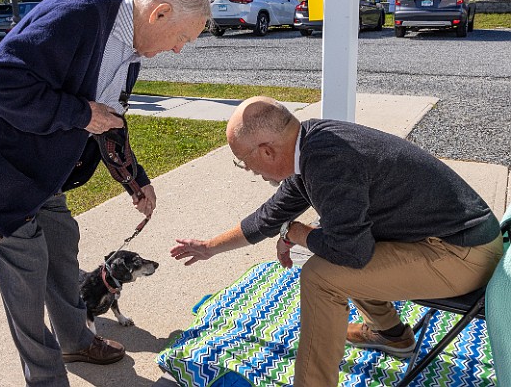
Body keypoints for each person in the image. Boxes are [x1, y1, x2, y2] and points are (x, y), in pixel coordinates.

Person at [0, 0, 210, 387]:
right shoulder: (78, 15)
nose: (179, 49)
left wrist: (133, 178)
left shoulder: (130, 50)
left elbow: (108, 118)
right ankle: (46, 378)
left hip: (36, 167)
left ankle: (76, 341)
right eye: (184, 38)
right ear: (160, 12)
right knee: (25, 275)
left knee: (62, 244)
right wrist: (80, 113)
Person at [171, 97, 503, 386]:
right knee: (339, 245)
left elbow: (350, 253)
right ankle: (393, 337)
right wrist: (209, 247)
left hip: (462, 255)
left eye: (243, 160)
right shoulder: (310, 145)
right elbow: (269, 217)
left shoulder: (329, 163)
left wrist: (300, 234)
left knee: (321, 276)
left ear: (267, 150)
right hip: (456, 243)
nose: (247, 169)